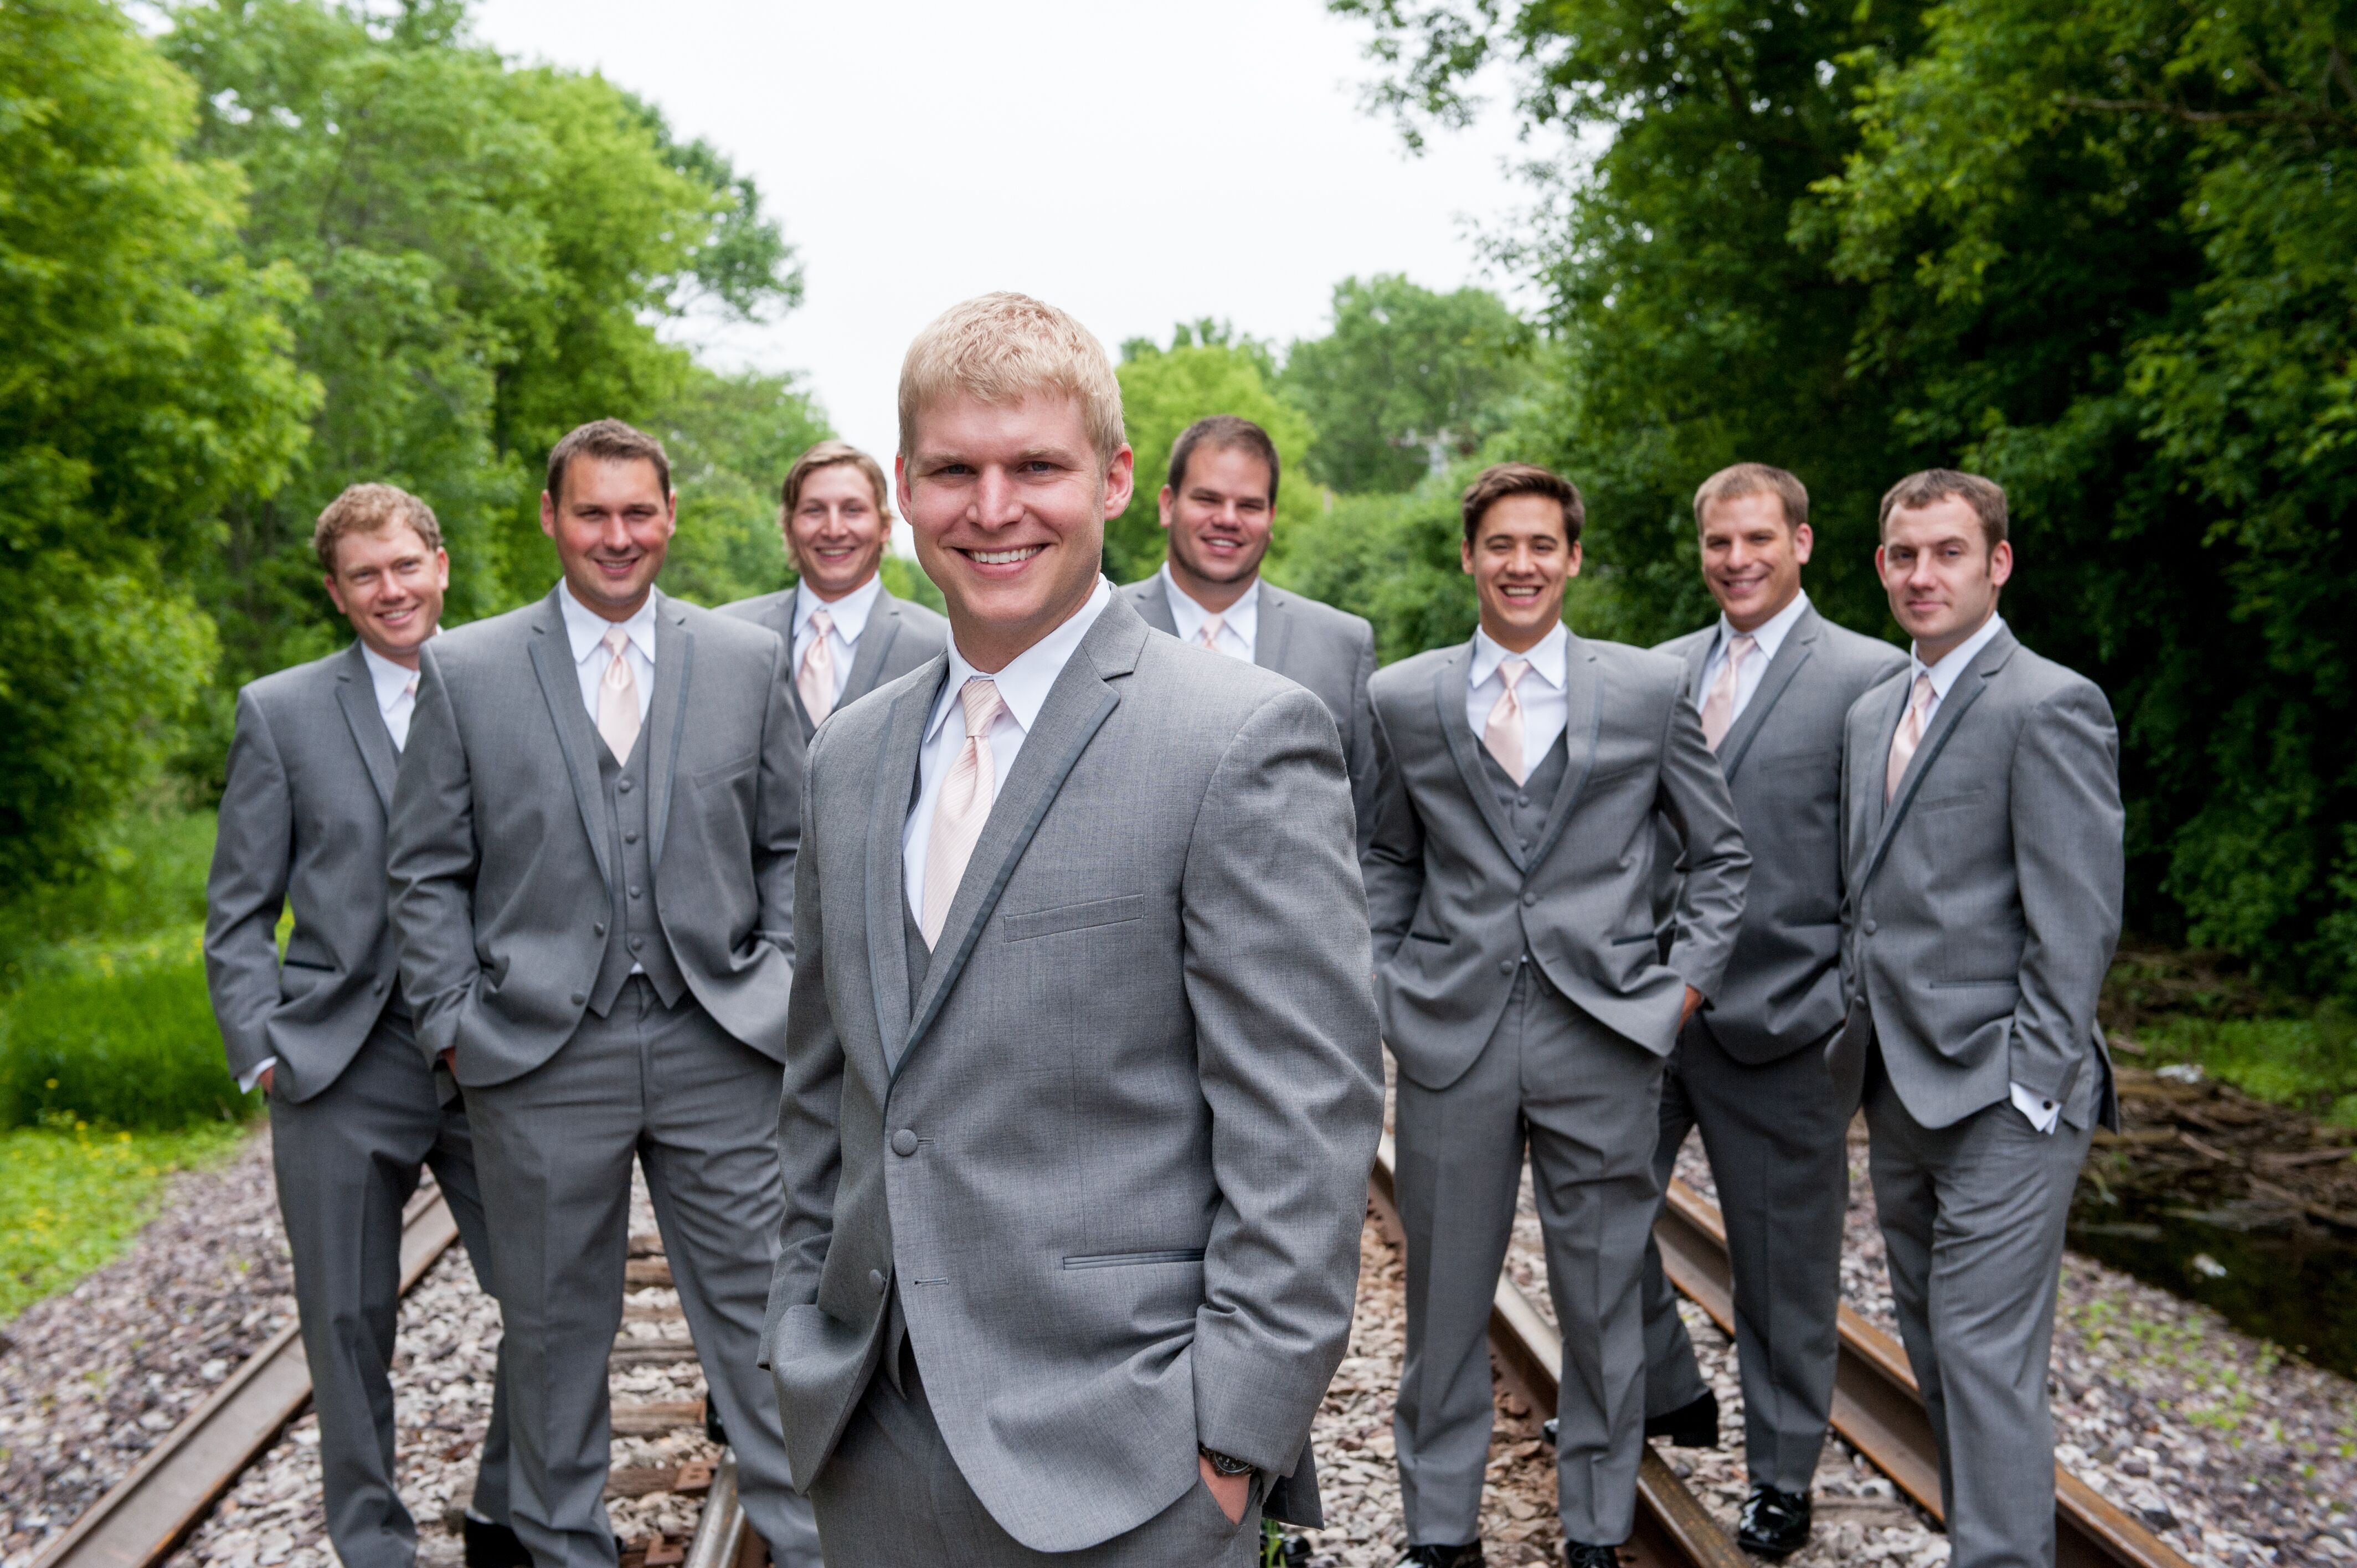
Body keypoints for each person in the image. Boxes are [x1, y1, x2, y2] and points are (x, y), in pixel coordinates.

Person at [763, 292, 1384, 1567]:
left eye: (1036, 466)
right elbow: (824, 1094)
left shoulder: (1239, 739)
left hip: (1132, 1468)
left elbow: (1304, 1123)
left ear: (1109, 480)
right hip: (873, 1446)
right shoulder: (851, 754)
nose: (994, 508)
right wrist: (798, 1341)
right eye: (954, 470)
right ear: (904, 489)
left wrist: (1231, 1451)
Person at [386, 421, 813, 1568]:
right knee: (554, 1340)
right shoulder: (467, 669)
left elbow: (792, 848)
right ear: (551, 518)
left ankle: (813, 1548)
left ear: (669, 516)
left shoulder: (745, 662)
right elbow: (424, 868)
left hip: (719, 1044)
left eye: (637, 513)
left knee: (763, 1328)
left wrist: (771, 981)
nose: (616, 537)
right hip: (533, 1058)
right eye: (593, 513)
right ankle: (564, 1553)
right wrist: (452, 1028)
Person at [1364, 462, 1749, 1568]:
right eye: (1500, 545)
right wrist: (1390, 978)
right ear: (1469, 558)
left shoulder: (1640, 691)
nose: (1521, 564)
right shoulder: (1404, 697)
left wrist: (1678, 992)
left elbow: (1719, 858)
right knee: (1443, 1309)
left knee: (1600, 1304)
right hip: (1452, 1036)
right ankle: (1438, 1536)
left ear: (1573, 558)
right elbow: (1385, 855)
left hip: (1608, 1035)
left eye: (1542, 545)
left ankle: (1594, 1531)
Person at [205, 484, 524, 1568]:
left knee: (550, 1298)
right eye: (364, 575)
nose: (390, 589)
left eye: (405, 565)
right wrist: (260, 1045)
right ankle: (372, 1544)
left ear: (440, 565)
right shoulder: (280, 712)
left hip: (486, 1055)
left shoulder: (515, 687)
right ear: (338, 594)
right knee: (345, 1327)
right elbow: (238, 908)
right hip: (335, 1061)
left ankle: (503, 1509)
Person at [1831, 470, 2122, 1568]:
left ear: (1996, 564)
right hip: (1896, 1083)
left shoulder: (2047, 702)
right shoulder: (1872, 712)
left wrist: (2035, 1084)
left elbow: (2076, 918)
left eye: (1948, 552)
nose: (1922, 575)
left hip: (2005, 1092)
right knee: (1939, 1354)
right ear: (1880, 567)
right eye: (1904, 555)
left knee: (1981, 1350)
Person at [1638, 463, 1907, 1557]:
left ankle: (1781, 1475)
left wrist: (1845, 1005)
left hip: (1788, 1026)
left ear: (1801, 541)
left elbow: (1885, 864)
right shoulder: (1655, 671)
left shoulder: (1868, 675)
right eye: (1717, 542)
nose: (1736, 560)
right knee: (1589, 1221)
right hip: (1651, 1019)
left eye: (1757, 539)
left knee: (1783, 1272)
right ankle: (1663, 1390)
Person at [1119, 415, 1380, 854]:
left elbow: (1372, 832)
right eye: (1207, 499)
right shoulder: (1097, 628)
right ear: (1168, 505)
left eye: (1249, 505)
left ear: (1271, 518)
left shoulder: (1343, 645)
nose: (1227, 519)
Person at [720, 437, 949, 738]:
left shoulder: (941, 647)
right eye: (814, 511)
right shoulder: (728, 636)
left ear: (885, 528)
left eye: (853, 510)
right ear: (789, 529)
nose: (834, 530)